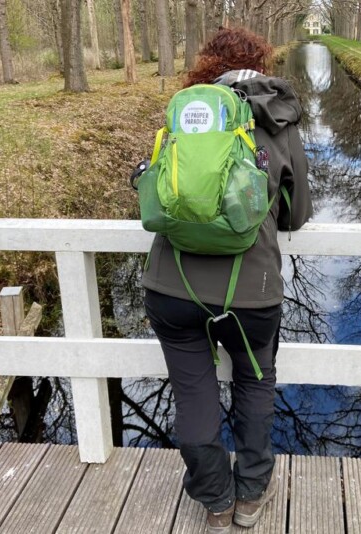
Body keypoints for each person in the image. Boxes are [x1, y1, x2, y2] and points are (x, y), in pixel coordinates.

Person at [141, 27, 312, 533]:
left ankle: (215, 500)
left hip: (171, 287)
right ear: (263, 64)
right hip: (252, 292)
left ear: (207, 67)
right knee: (254, 385)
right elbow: (295, 215)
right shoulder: (278, 120)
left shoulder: (185, 117)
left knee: (192, 395)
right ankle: (251, 496)